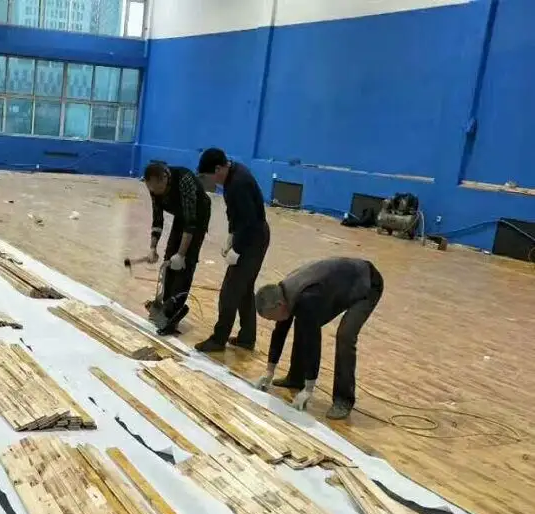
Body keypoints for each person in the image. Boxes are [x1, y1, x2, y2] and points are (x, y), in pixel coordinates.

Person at [253, 258, 384, 420]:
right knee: (303, 321)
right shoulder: (282, 294)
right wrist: (269, 372)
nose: (274, 321)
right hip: (341, 282)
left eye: (272, 317)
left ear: (279, 305)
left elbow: (313, 342)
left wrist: (309, 389)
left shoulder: (306, 298)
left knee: (345, 336)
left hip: (367, 284)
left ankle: (343, 400)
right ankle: (295, 378)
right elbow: (279, 332)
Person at [195, 147, 270, 353]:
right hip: (250, 234)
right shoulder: (232, 174)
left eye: (210, 176)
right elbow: (234, 213)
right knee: (244, 289)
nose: (211, 181)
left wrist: (236, 249)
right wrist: (230, 235)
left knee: (230, 290)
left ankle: (219, 339)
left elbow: (249, 222)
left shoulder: (238, 183)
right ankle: (247, 338)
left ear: (219, 168)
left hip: (252, 238)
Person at [142, 160, 211, 335]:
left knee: (184, 263)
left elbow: (190, 223)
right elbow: (158, 218)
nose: (154, 193)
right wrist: (152, 247)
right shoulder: (154, 187)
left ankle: (174, 311)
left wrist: (181, 254)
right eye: (151, 189)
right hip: (181, 216)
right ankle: (165, 306)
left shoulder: (184, 180)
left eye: (157, 189)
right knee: (168, 260)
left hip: (198, 216)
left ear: (164, 178)